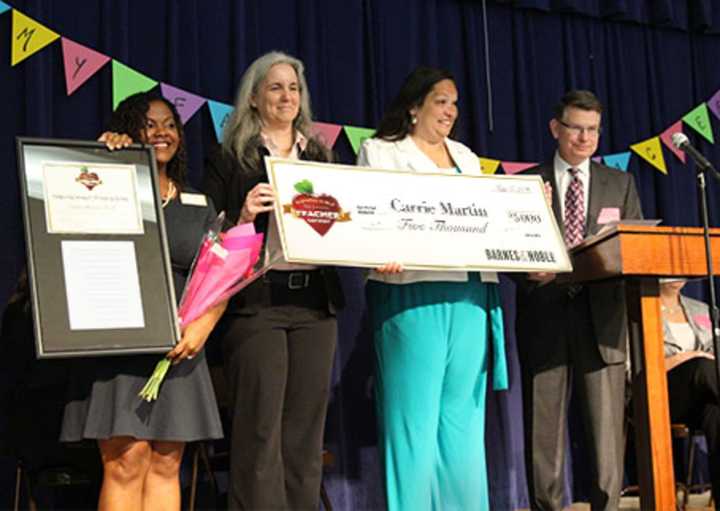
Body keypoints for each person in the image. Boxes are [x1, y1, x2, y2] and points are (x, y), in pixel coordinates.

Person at [60, 91, 225, 511]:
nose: (161, 133)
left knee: (167, 464)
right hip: (122, 341)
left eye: (169, 124)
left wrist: (202, 327)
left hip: (181, 348)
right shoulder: (108, 186)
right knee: (125, 462)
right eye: (149, 124)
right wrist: (101, 162)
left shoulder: (198, 202)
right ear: (129, 128)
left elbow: (221, 276)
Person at [356, 66, 508, 511]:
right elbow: (368, 218)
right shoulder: (380, 152)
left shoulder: (465, 155)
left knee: (461, 424)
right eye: (441, 101)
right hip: (410, 294)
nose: (450, 111)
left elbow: (486, 220)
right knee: (413, 425)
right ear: (414, 106)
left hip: (469, 295)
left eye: (454, 103)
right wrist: (377, 248)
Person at [202, 51, 345, 510]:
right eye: (276, 87)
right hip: (257, 304)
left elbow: (346, 224)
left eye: (294, 88)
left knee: (305, 432)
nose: (287, 96)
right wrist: (244, 215)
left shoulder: (321, 155)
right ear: (255, 98)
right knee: (259, 430)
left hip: (315, 307)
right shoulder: (231, 156)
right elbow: (211, 238)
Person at [515, 90, 643, 510]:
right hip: (545, 315)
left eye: (593, 130)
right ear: (556, 129)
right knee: (544, 432)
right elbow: (506, 251)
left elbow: (636, 248)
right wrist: (524, 270)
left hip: (602, 320)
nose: (585, 138)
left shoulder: (619, 183)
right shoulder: (527, 184)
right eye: (576, 128)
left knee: (607, 438)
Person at [660, 278, 720, 500]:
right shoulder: (637, 310)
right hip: (664, 397)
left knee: (715, 413)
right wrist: (688, 356)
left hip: (705, 395)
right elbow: (632, 370)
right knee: (702, 366)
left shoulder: (703, 309)